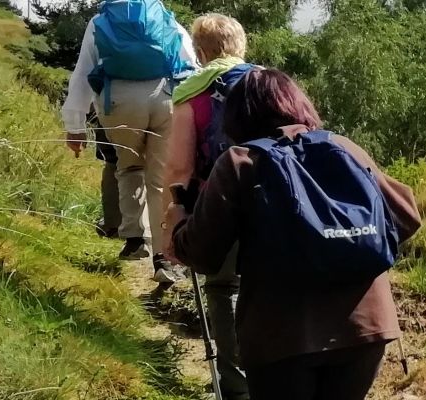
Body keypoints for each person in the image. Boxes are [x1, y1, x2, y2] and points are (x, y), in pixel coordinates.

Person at [168, 69, 420, 399]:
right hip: (365, 327)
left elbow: (201, 254)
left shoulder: (241, 162)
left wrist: (175, 223)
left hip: (280, 336)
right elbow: (407, 216)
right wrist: (342, 244)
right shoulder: (342, 147)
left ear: (237, 117)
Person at [60, 0, 199, 282]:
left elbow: (83, 73)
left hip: (118, 100)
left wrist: (74, 125)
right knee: (161, 178)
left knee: (129, 166)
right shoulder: (164, 17)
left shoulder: (100, 21)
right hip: (164, 97)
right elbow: (190, 64)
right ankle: (165, 257)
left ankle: (136, 239)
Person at [163, 13, 252, 398]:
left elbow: (179, 166)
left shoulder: (191, 92)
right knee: (268, 285)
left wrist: (176, 209)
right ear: (241, 46)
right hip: (274, 197)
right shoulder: (268, 83)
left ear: (200, 52)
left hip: (216, 202)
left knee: (223, 287)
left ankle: (236, 388)